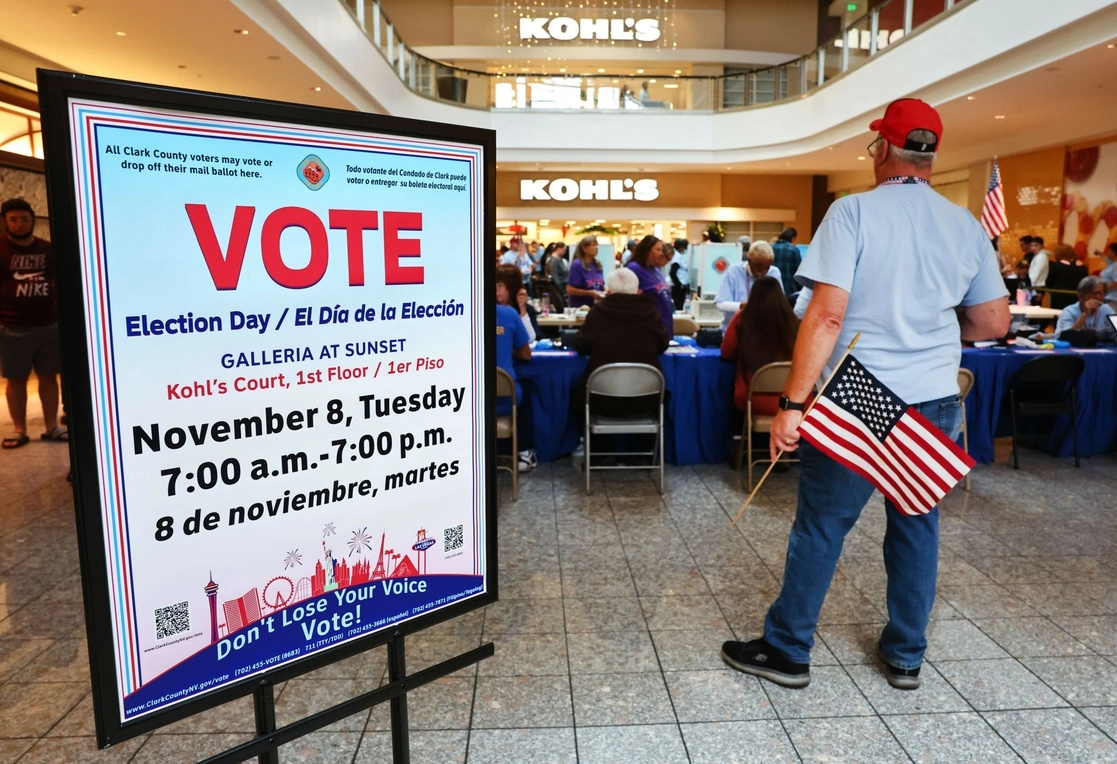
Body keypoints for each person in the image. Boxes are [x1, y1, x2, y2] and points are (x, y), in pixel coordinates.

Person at [720, 98, 1009, 691]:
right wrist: (928, 328)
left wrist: (793, 406)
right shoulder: (964, 225)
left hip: (860, 393)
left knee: (822, 525)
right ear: (931, 154)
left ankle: (788, 649)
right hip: (934, 396)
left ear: (882, 149)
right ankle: (905, 656)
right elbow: (993, 322)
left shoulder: (852, 213)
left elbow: (825, 319)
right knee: (916, 524)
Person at [571, 268, 669, 462]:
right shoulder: (651, 312)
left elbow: (581, 346)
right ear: (637, 290)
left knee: (577, 394)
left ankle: (599, 454)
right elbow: (663, 344)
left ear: (609, 292)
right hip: (646, 398)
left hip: (602, 399)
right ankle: (642, 455)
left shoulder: (598, 312)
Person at [1, 198, 65, 449]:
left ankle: (52, 427)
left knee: (49, 376)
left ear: (32, 220)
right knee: (16, 379)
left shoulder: (47, 249)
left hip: (48, 324)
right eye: (13, 219)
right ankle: (19, 430)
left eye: (24, 219)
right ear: (6, 221)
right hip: (12, 326)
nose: (19, 224)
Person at [720, 276, 798, 416]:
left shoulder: (742, 318)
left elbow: (727, 351)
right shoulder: (792, 321)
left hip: (753, 399)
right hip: (791, 400)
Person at [495, 278, 536, 473]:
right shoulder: (508, 314)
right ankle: (524, 452)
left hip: (468, 401)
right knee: (526, 392)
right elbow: (526, 354)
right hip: (504, 399)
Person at [714, 240, 784, 331]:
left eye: (767, 268)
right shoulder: (734, 271)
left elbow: (780, 305)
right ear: (749, 261)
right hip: (735, 332)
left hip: (764, 332)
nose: (763, 272)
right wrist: (744, 306)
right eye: (758, 267)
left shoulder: (774, 272)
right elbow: (720, 304)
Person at [625, 235, 674, 336]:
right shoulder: (633, 268)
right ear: (647, 250)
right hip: (648, 327)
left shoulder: (656, 269)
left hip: (665, 323)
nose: (661, 253)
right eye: (658, 250)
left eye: (662, 250)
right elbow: (625, 298)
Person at [1049, 276, 1116, 342]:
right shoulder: (1069, 311)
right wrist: (1085, 314)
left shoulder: (1106, 309)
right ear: (1081, 295)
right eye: (1094, 293)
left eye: (1101, 293)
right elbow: (1068, 336)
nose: (1098, 297)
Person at [496, 265, 539, 343]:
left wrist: (522, 310)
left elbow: (530, 339)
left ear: (512, 287)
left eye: (500, 285)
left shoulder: (527, 309)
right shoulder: (489, 309)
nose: (496, 290)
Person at [566, 235, 605, 309]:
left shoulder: (598, 265)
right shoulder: (577, 264)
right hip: (580, 308)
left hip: (596, 307)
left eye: (597, 245)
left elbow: (600, 285)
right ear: (584, 248)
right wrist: (589, 293)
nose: (596, 247)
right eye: (593, 245)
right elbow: (569, 289)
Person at [771, 227, 802, 297]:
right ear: (793, 238)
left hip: (771, 289)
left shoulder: (770, 248)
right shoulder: (794, 250)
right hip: (788, 290)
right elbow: (798, 272)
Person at [668, 239, 690, 311]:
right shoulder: (676, 257)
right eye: (685, 247)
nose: (685, 249)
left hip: (679, 285)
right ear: (681, 247)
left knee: (680, 305)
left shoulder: (678, 255)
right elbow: (672, 273)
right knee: (678, 306)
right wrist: (679, 284)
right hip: (677, 286)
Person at [1099, 242, 1117, 308]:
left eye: (1109, 251)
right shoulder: (1111, 264)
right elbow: (1105, 258)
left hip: (1112, 299)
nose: (1107, 252)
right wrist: (1099, 253)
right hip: (1106, 297)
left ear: (1114, 253)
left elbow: (1116, 283)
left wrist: (1103, 289)